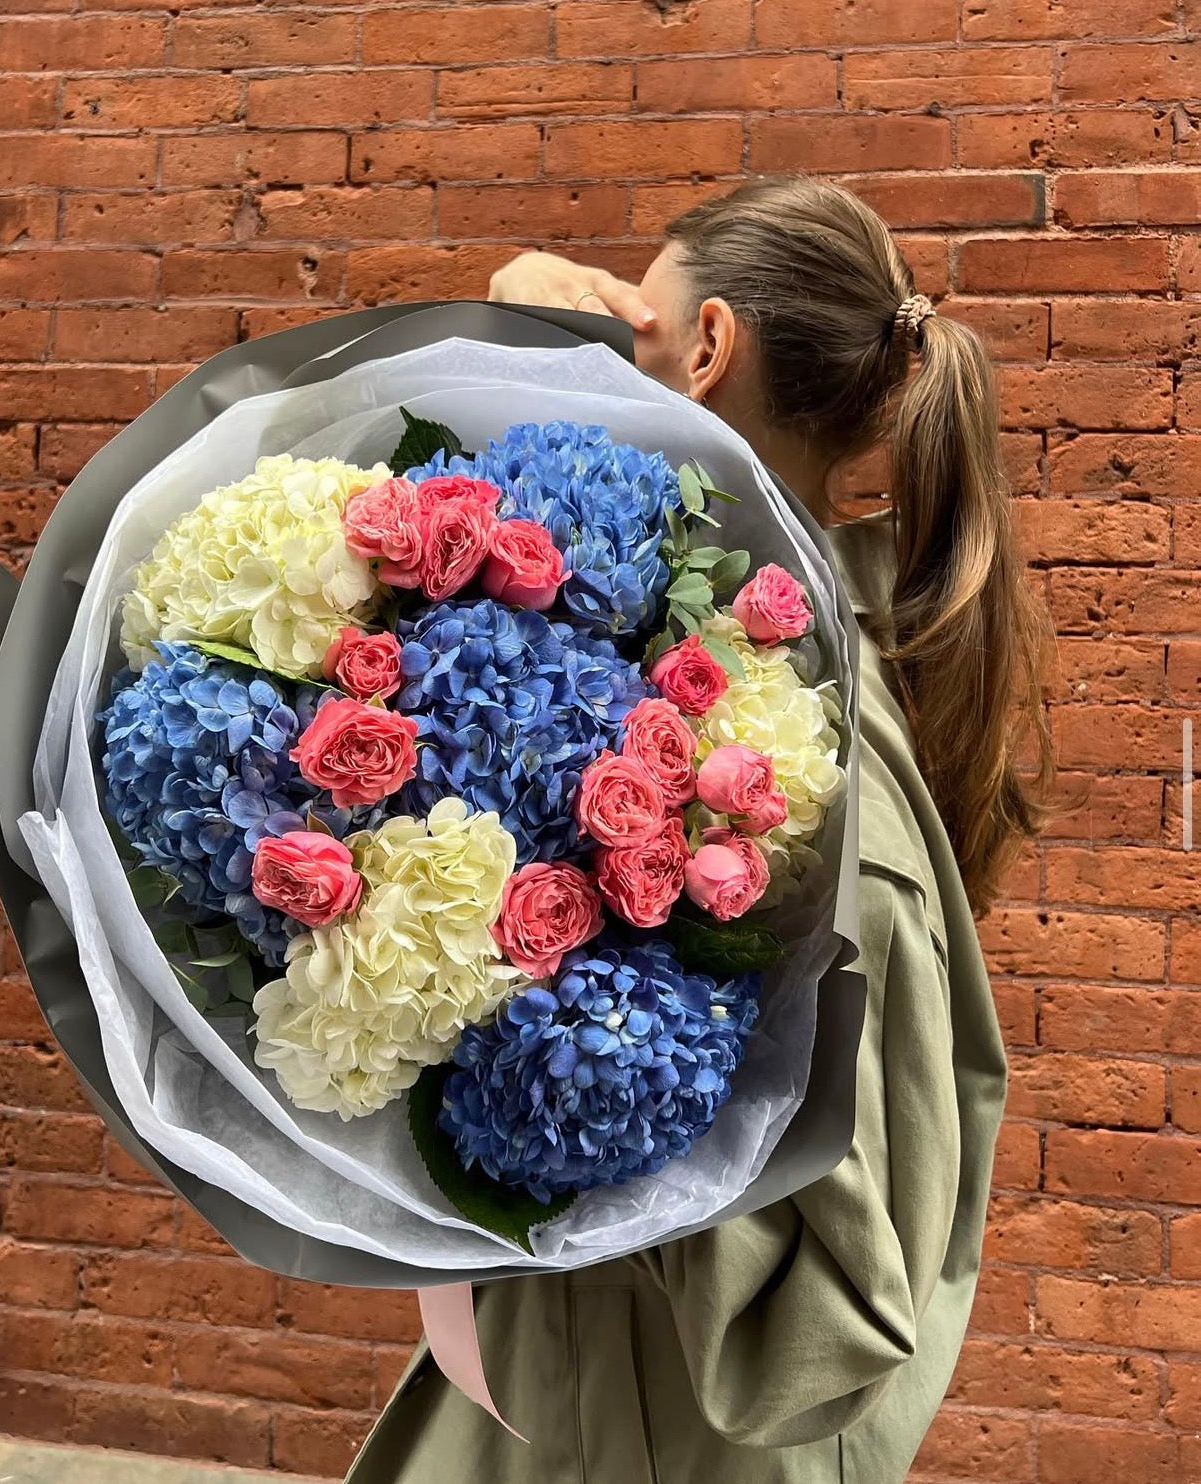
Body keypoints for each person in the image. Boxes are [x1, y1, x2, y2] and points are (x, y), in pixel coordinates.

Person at [344, 176, 1052, 1484]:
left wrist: (591, 1088)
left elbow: (835, 1323)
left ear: (709, 347)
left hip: (646, 1437)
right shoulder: (688, 679)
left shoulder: (795, 786)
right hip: (572, 1398)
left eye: (636, 323)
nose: (599, 342)